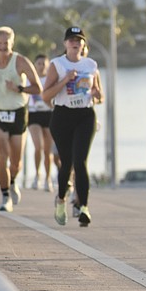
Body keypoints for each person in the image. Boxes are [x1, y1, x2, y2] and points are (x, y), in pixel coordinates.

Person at [0, 26, 42, 212]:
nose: (3, 47)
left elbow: (38, 88)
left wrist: (19, 89)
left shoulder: (20, 62)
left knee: (16, 162)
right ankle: (5, 196)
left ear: (12, 43)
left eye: (6, 43)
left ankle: (12, 182)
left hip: (18, 112)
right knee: (1, 154)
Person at [42, 26, 102, 227]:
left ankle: (83, 206)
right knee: (66, 163)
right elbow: (46, 96)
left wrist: (97, 95)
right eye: (71, 40)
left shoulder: (91, 64)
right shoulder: (57, 65)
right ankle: (61, 200)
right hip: (62, 116)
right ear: (65, 44)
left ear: (84, 44)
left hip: (85, 115)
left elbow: (98, 93)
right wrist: (65, 80)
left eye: (79, 40)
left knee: (80, 161)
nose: (75, 43)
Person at [27, 54, 54, 192]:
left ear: (48, 65)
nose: (41, 66)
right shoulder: (29, 80)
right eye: (39, 63)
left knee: (47, 150)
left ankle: (48, 178)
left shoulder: (51, 80)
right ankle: (37, 175)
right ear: (34, 65)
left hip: (48, 114)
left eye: (44, 63)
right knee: (38, 146)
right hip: (33, 115)